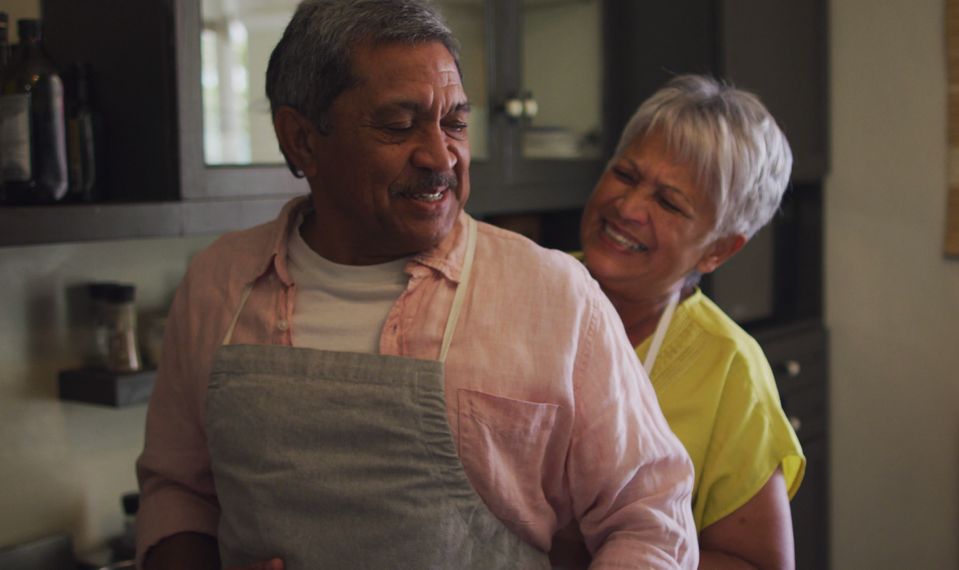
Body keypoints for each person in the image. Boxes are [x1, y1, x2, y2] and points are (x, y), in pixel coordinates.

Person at [134, 1, 697, 569]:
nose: (440, 155)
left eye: (454, 122)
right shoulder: (219, 284)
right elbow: (177, 491)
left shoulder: (553, 295)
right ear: (301, 140)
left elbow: (649, 519)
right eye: (399, 125)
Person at [574, 75, 806, 569]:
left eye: (669, 202)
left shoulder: (730, 370)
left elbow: (758, 564)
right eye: (626, 175)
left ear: (719, 249)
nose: (629, 208)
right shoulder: (521, 285)